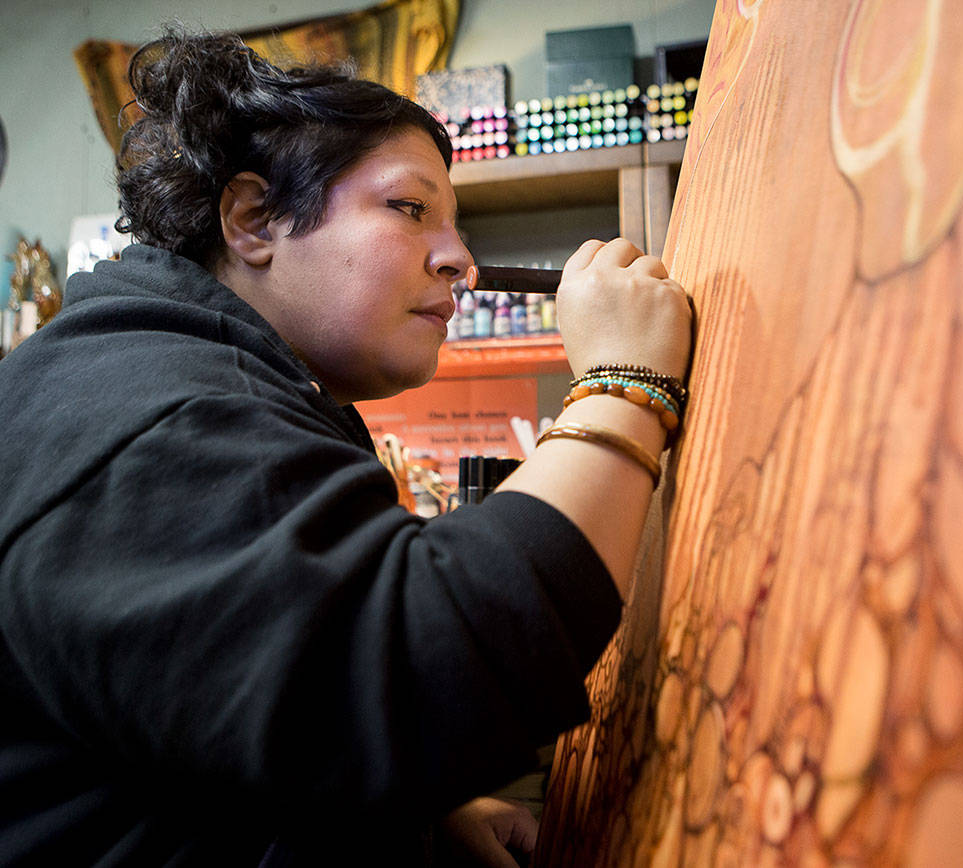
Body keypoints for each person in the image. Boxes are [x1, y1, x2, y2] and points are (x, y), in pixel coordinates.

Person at [0, 26, 691, 867]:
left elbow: (244, 715)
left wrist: (421, 818)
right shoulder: (143, 408)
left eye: (456, 224)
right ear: (253, 219)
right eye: (411, 209)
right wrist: (623, 382)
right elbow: (420, 667)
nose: (461, 260)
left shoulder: (195, 375)